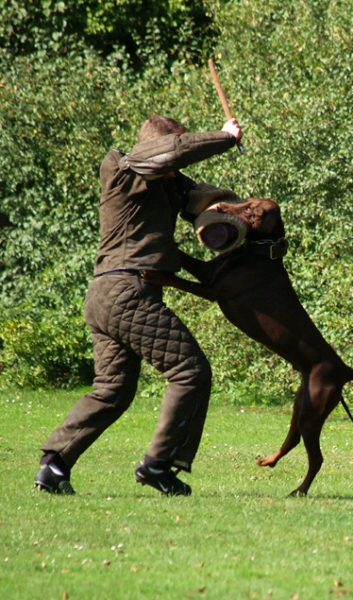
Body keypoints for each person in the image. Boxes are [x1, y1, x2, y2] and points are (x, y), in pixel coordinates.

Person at [34, 113, 243, 496]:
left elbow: (202, 198)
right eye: (172, 149)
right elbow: (171, 153)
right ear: (156, 144)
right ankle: (158, 465)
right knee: (189, 370)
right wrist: (225, 137)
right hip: (125, 292)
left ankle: (54, 465)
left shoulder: (165, 184)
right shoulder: (122, 166)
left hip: (107, 295)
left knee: (112, 390)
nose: (175, 164)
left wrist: (234, 214)